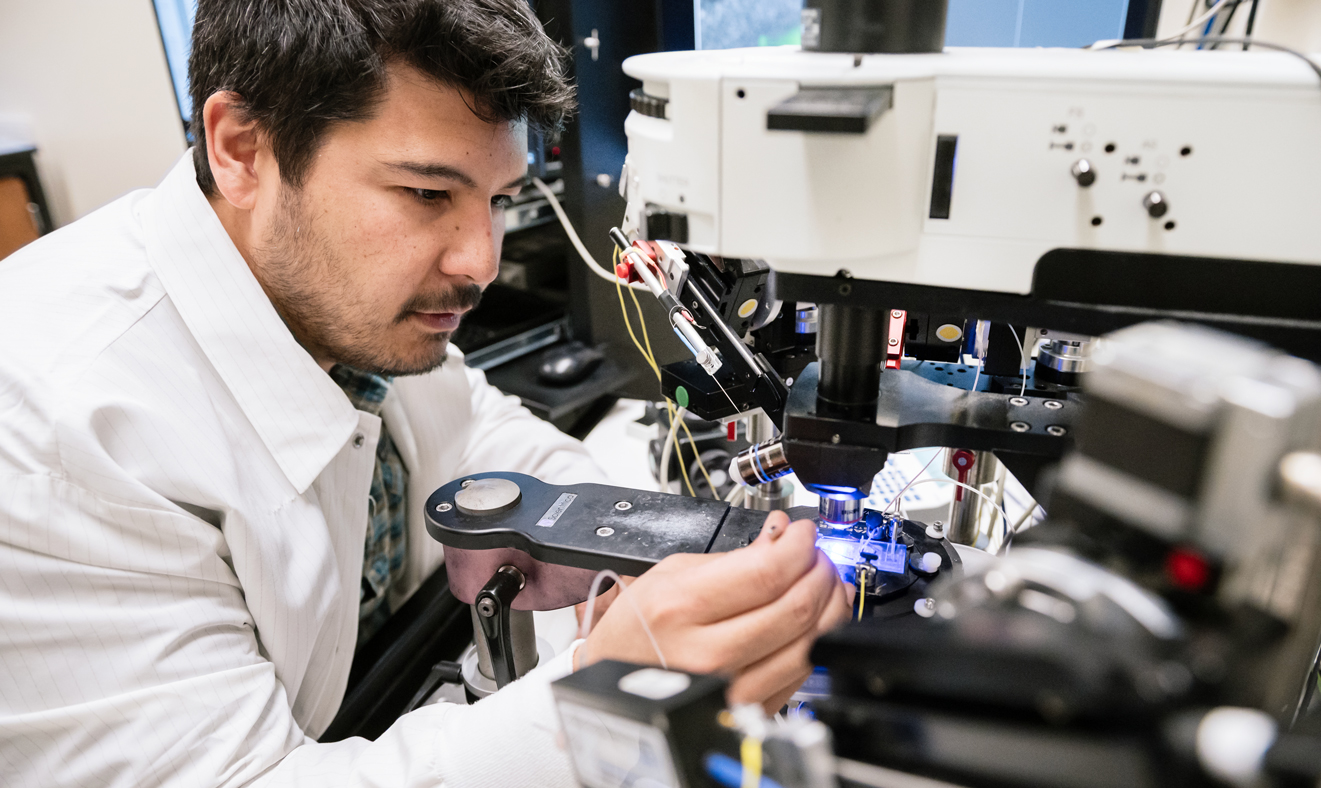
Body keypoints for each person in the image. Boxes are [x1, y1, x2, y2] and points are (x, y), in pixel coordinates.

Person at [0, 0, 851, 785]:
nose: (479, 260)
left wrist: (631, 550)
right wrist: (606, 690)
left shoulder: (339, 305)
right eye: (427, 193)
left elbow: (478, 429)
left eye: (498, 200)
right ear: (241, 149)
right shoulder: (56, 431)